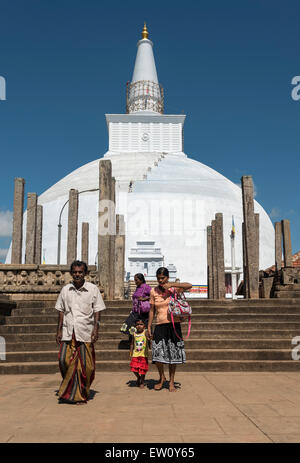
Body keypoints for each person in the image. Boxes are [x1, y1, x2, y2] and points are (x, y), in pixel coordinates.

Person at [55, 260, 106, 404]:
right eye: (75, 272)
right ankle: (69, 389)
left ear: (86, 273)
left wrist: (96, 328)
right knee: (64, 360)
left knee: (86, 366)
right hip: (68, 331)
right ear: (71, 273)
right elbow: (61, 310)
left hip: (85, 331)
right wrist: (58, 330)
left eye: (80, 272)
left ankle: (81, 393)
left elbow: (97, 310)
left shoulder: (92, 289)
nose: (77, 274)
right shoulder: (66, 289)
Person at [147, 267, 192, 392]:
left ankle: (171, 381)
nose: (161, 280)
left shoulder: (174, 289)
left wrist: (171, 284)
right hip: (160, 325)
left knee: (173, 355)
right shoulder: (153, 291)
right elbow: (152, 310)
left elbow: (189, 285)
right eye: (159, 278)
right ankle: (162, 378)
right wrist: (149, 326)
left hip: (173, 325)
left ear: (167, 277)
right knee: (157, 354)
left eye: (163, 278)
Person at [130, 319, 149, 388]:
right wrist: (131, 352)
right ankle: (138, 377)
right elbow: (132, 344)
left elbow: (148, 337)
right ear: (135, 326)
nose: (139, 326)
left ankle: (142, 381)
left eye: (141, 324)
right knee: (134, 368)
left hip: (143, 354)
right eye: (137, 324)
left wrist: (149, 337)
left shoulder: (145, 332)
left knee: (143, 370)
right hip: (135, 354)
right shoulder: (134, 334)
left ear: (144, 326)